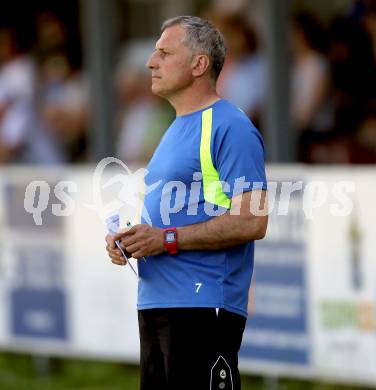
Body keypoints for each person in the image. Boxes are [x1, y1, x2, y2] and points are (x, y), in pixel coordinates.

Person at [106, 16, 268, 390]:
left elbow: (252, 221)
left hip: (202, 305)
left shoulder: (231, 126)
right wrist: (132, 240)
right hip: (156, 302)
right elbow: (174, 216)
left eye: (164, 52)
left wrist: (163, 240)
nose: (151, 62)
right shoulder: (176, 125)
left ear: (199, 65)